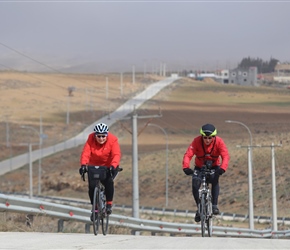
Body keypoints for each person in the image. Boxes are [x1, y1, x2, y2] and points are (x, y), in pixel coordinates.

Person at [182, 123, 230, 222]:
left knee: (215, 180)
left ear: (213, 137)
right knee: (195, 184)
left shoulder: (219, 142)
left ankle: (214, 205)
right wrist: (186, 167)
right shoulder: (196, 141)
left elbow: (225, 156)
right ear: (202, 136)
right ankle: (199, 208)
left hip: (214, 166)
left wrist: (222, 168)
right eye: (205, 138)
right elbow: (188, 155)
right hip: (199, 167)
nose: (207, 140)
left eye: (210, 138)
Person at [79, 122, 121, 221]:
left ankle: (109, 204)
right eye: (99, 136)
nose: (101, 138)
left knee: (109, 182)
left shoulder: (113, 140)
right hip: (94, 165)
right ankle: (95, 208)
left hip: (109, 166)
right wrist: (83, 165)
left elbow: (116, 154)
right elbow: (86, 152)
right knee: (92, 187)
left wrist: (113, 165)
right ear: (95, 135)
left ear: (107, 135)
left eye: (103, 136)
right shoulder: (91, 138)